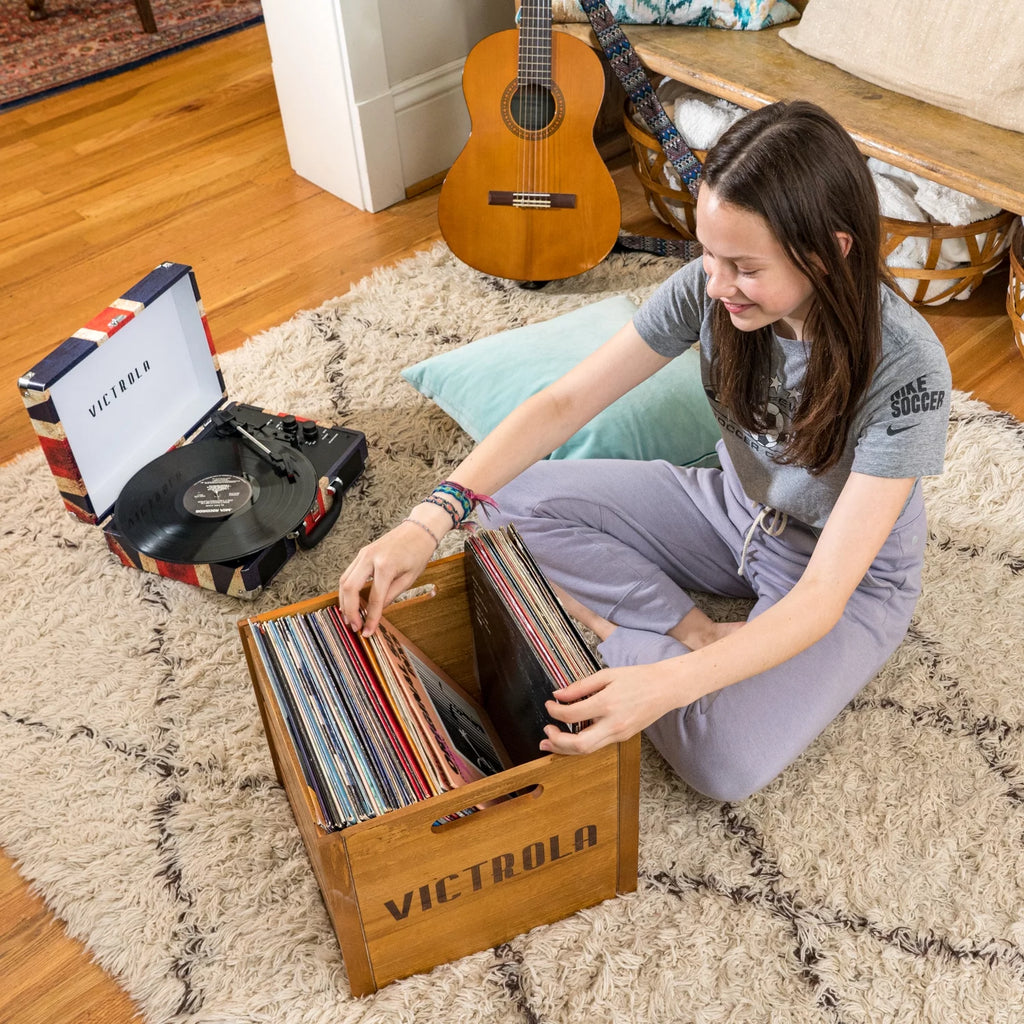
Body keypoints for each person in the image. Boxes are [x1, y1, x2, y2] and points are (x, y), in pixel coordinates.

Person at [339, 100, 951, 802]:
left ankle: (616, 637)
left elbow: (819, 598)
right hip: (731, 509)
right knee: (497, 502)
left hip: (848, 576)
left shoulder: (909, 369)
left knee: (722, 762)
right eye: (708, 254)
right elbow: (562, 405)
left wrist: (660, 686)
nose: (715, 285)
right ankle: (683, 628)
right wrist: (426, 521)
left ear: (829, 250)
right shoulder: (711, 290)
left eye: (744, 266)